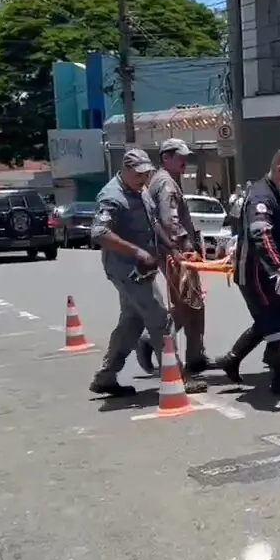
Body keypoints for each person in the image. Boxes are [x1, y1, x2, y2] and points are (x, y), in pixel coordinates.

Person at [88, 149, 207, 396]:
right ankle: (176, 377)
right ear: (126, 169)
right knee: (160, 319)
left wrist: (171, 247)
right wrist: (137, 252)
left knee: (131, 322)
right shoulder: (112, 196)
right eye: (139, 174)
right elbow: (99, 233)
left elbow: (153, 222)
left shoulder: (140, 190)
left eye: (146, 174)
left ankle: (106, 376)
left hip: (144, 267)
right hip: (126, 268)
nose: (143, 179)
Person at [212, 148, 280, 397]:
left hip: (262, 271)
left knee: (270, 320)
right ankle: (279, 381)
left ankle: (233, 359)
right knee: (278, 322)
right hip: (257, 272)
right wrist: (279, 268)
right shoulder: (262, 196)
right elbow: (261, 234)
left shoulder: (272, 193)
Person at [135, 139, 212, 375]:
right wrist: (183, 249)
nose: (184, 161)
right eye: (180, 156)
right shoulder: (166, 184)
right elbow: (170, 222)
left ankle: (196, 355)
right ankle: (150, 339)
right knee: (187, 304)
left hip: (175, 250)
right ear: (165, 158)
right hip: (176, 252)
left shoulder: (162, 180)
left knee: (194, 303)